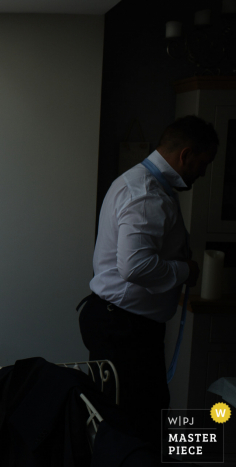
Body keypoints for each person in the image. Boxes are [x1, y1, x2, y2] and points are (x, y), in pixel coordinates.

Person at [78, 115, 218, 452]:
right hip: (124, 329)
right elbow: (136, 266)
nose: (202, 172)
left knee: (130, 420)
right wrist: (187, 270)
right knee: (136, 425)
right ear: (185, 155)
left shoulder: (137, 182)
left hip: (120, 323)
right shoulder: (145, 194)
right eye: (202, 163)